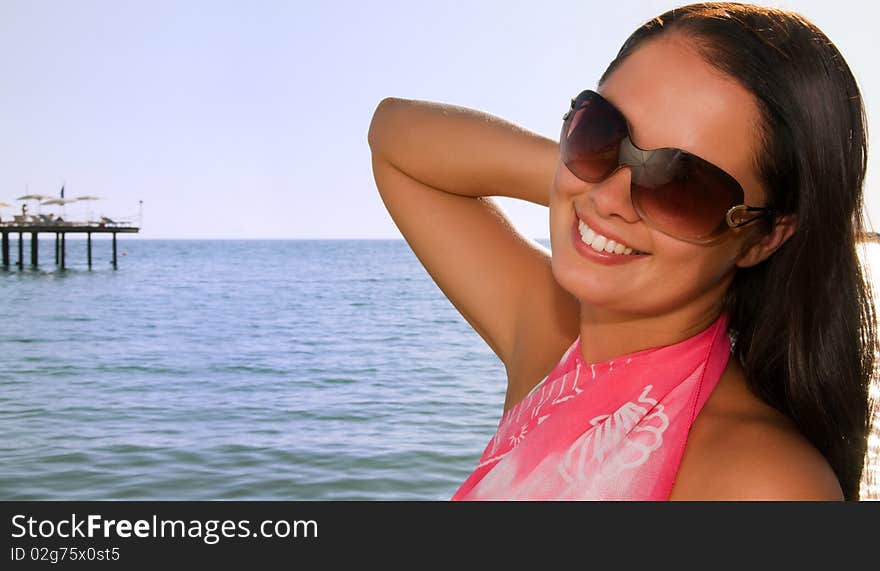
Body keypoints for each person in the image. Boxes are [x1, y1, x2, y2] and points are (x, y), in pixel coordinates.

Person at [367, 2, 877, 500]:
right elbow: (393, 135)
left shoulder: (765, 486)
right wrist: (580, 180)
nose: (612, 199)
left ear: (765, 236)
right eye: (600, 130)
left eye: (684, 184)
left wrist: (596, 174)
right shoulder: (557, 348)